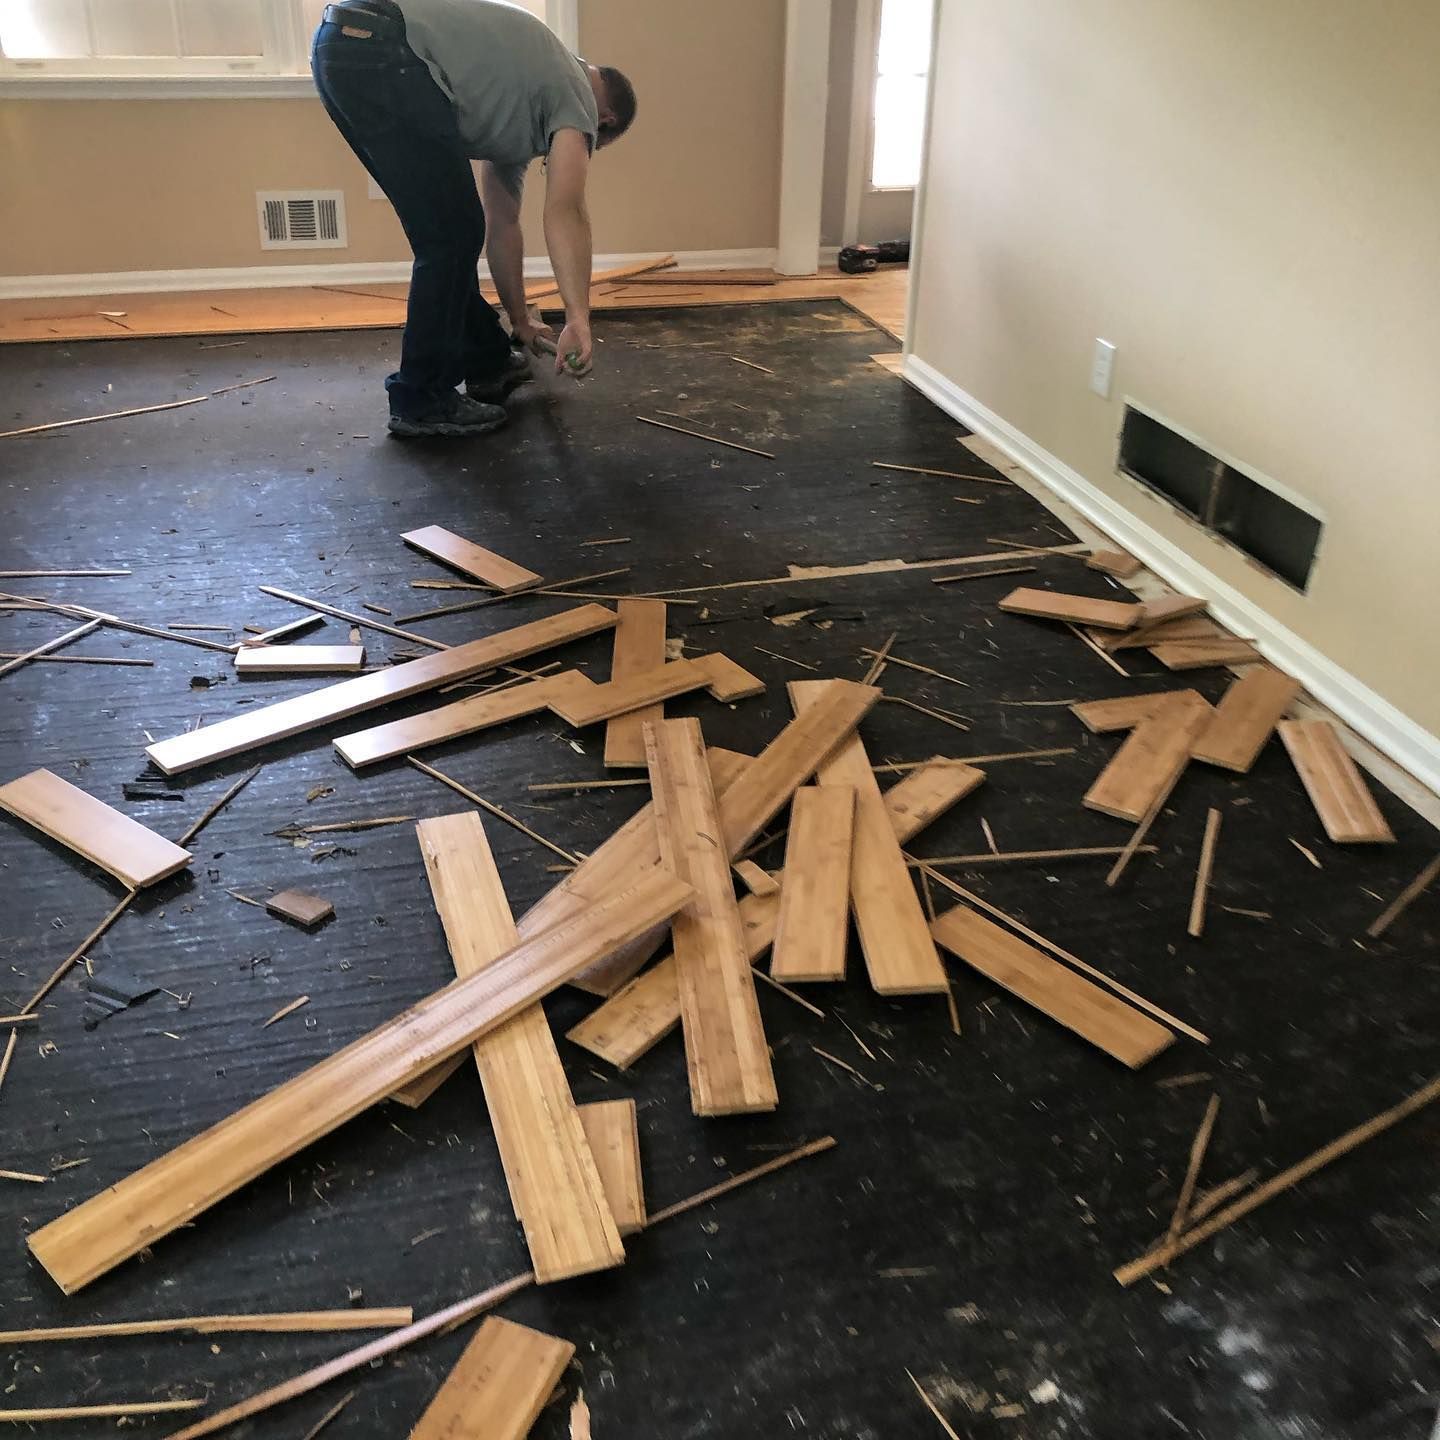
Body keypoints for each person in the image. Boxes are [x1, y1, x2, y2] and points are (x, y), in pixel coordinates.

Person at [311, 0, 637, 438]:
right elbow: (567, 210)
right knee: (450, 236)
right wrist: (579, 318)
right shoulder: (575, 95)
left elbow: (502, 222)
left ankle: (488, 358)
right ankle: (421, 398)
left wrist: (520, 319)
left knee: (447, 231)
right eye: (593, 138)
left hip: (340, 48)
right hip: (388, 52)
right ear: (605, 119)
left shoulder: (529, 86)